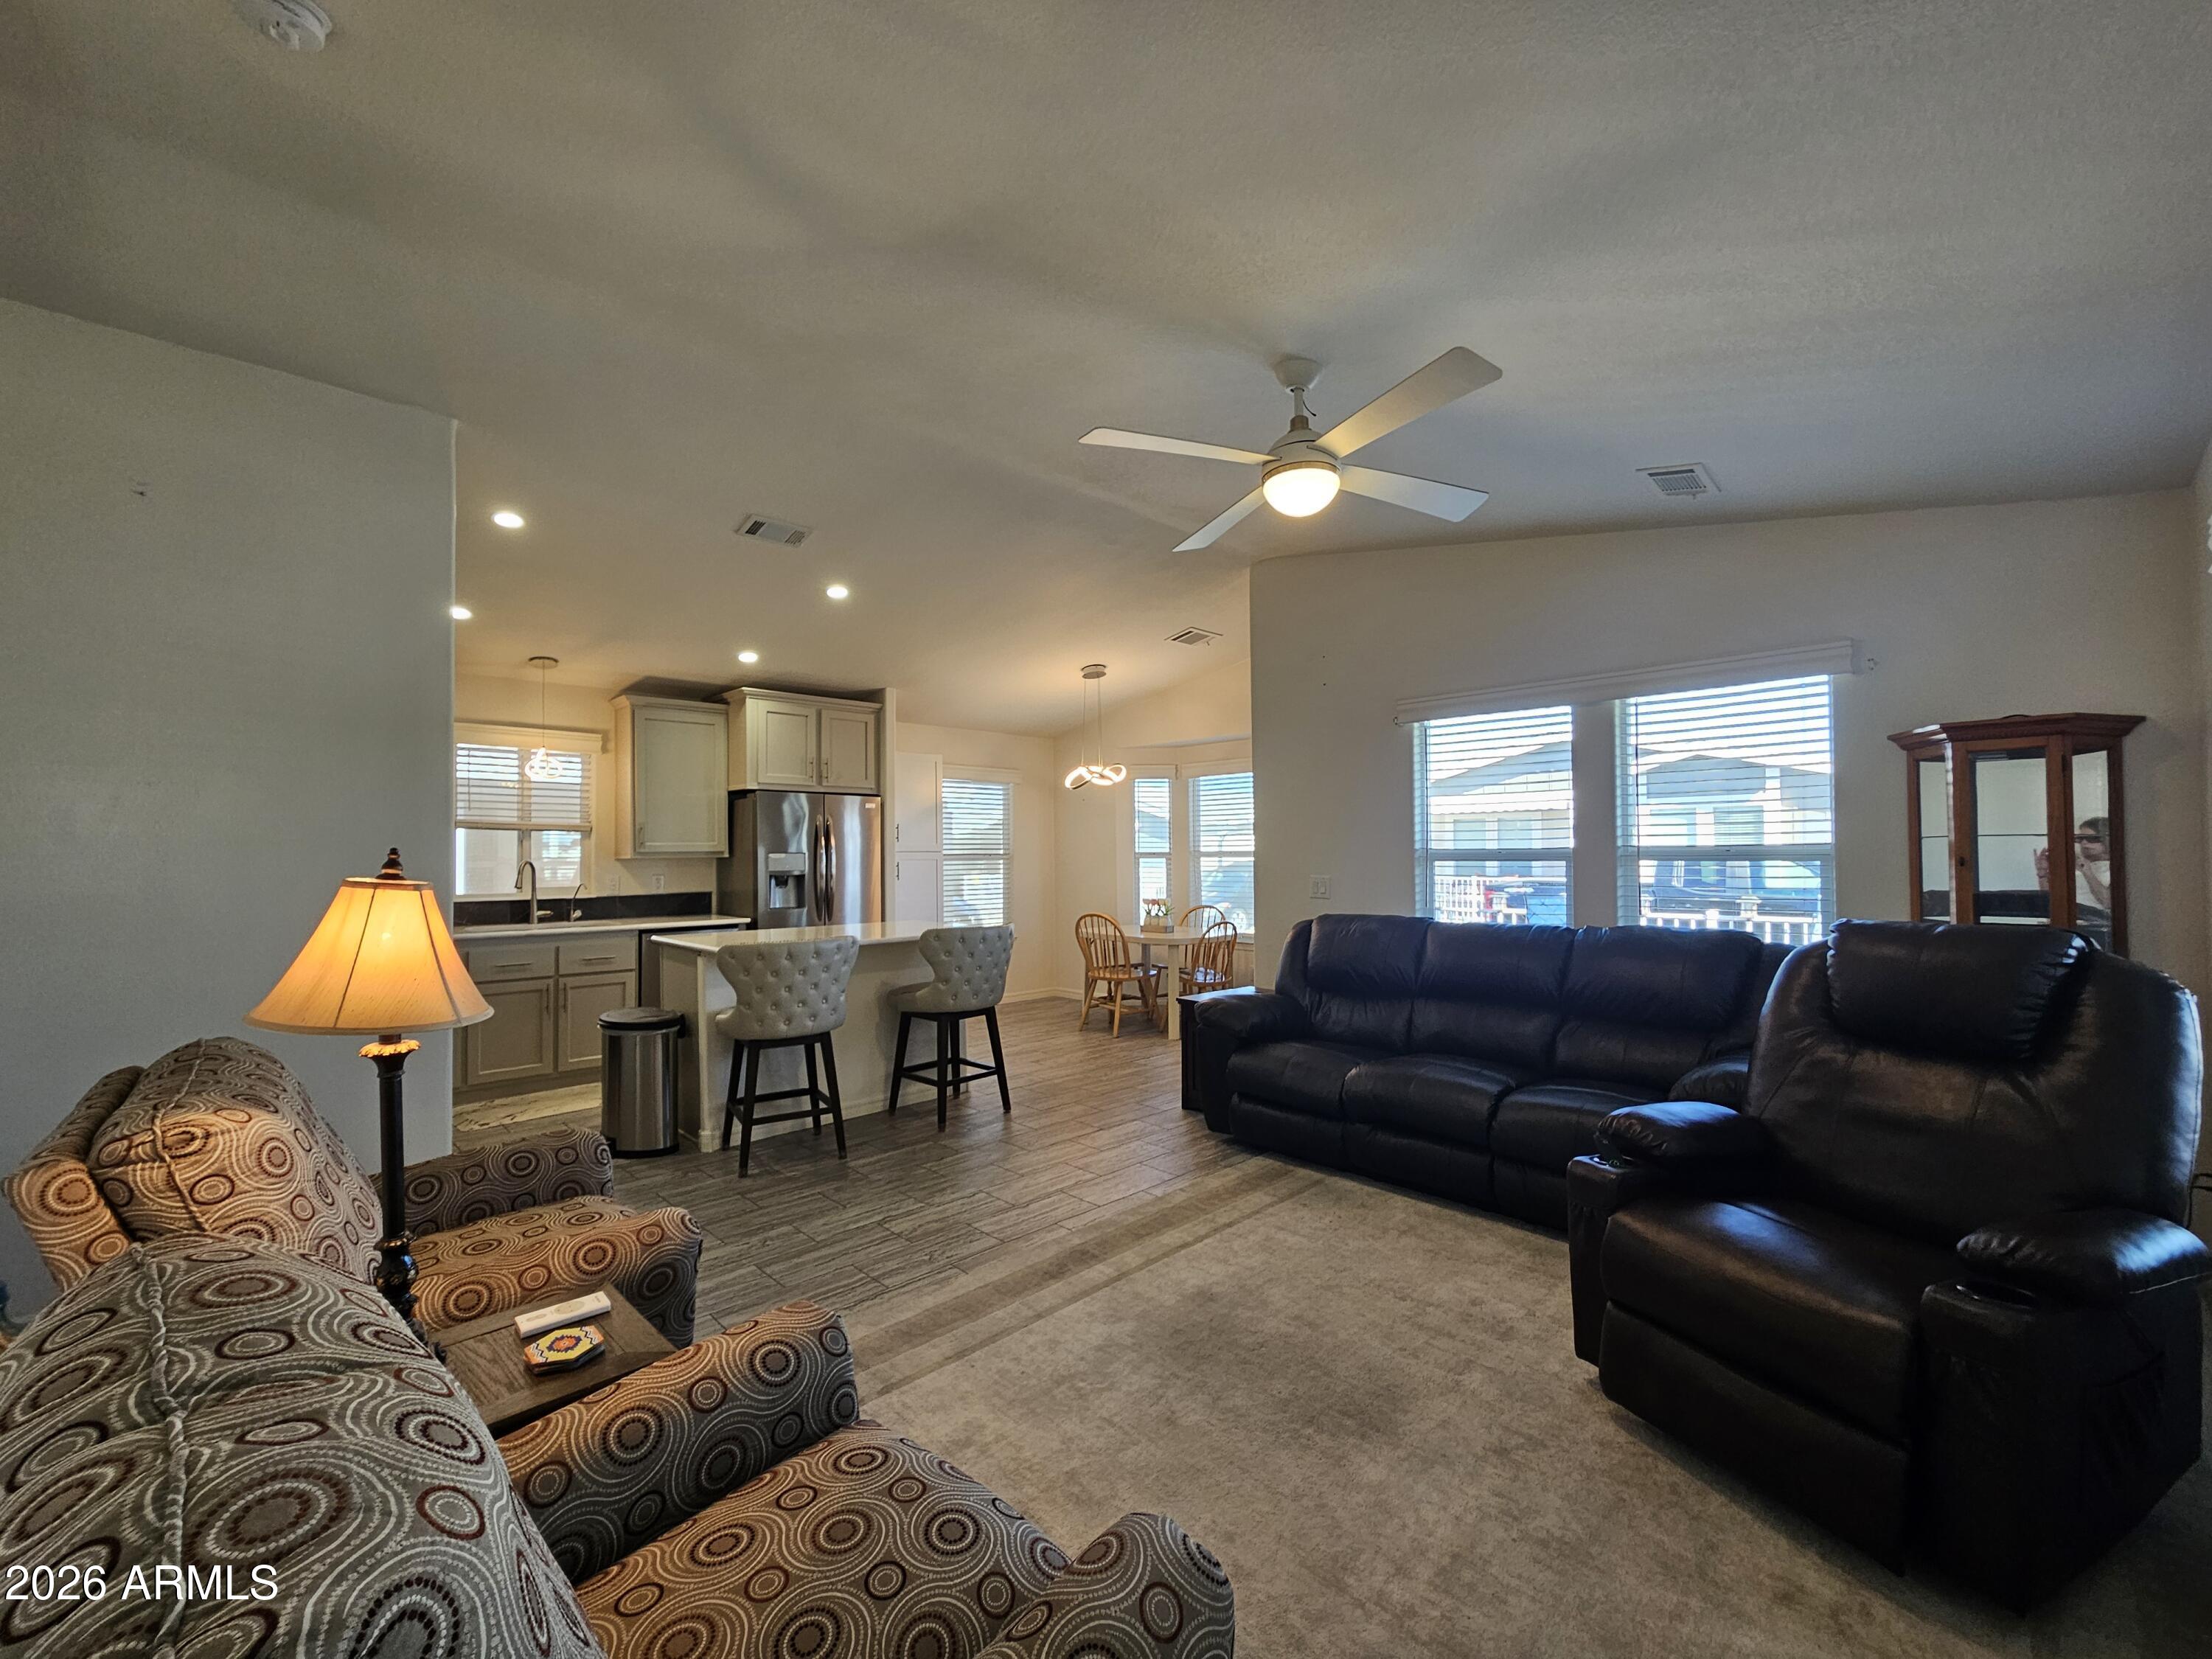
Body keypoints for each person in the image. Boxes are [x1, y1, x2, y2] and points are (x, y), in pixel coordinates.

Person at [2036, 816, 2113, 947]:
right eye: (2079, 839)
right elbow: (2052, 900)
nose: (2084, 844)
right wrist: (2043, 875)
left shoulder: (2115, 869)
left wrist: (2087, 872)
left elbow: (2107, 901)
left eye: (2092, 839)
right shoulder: (2076, 869)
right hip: (2066, 928)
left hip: (2094, 930)